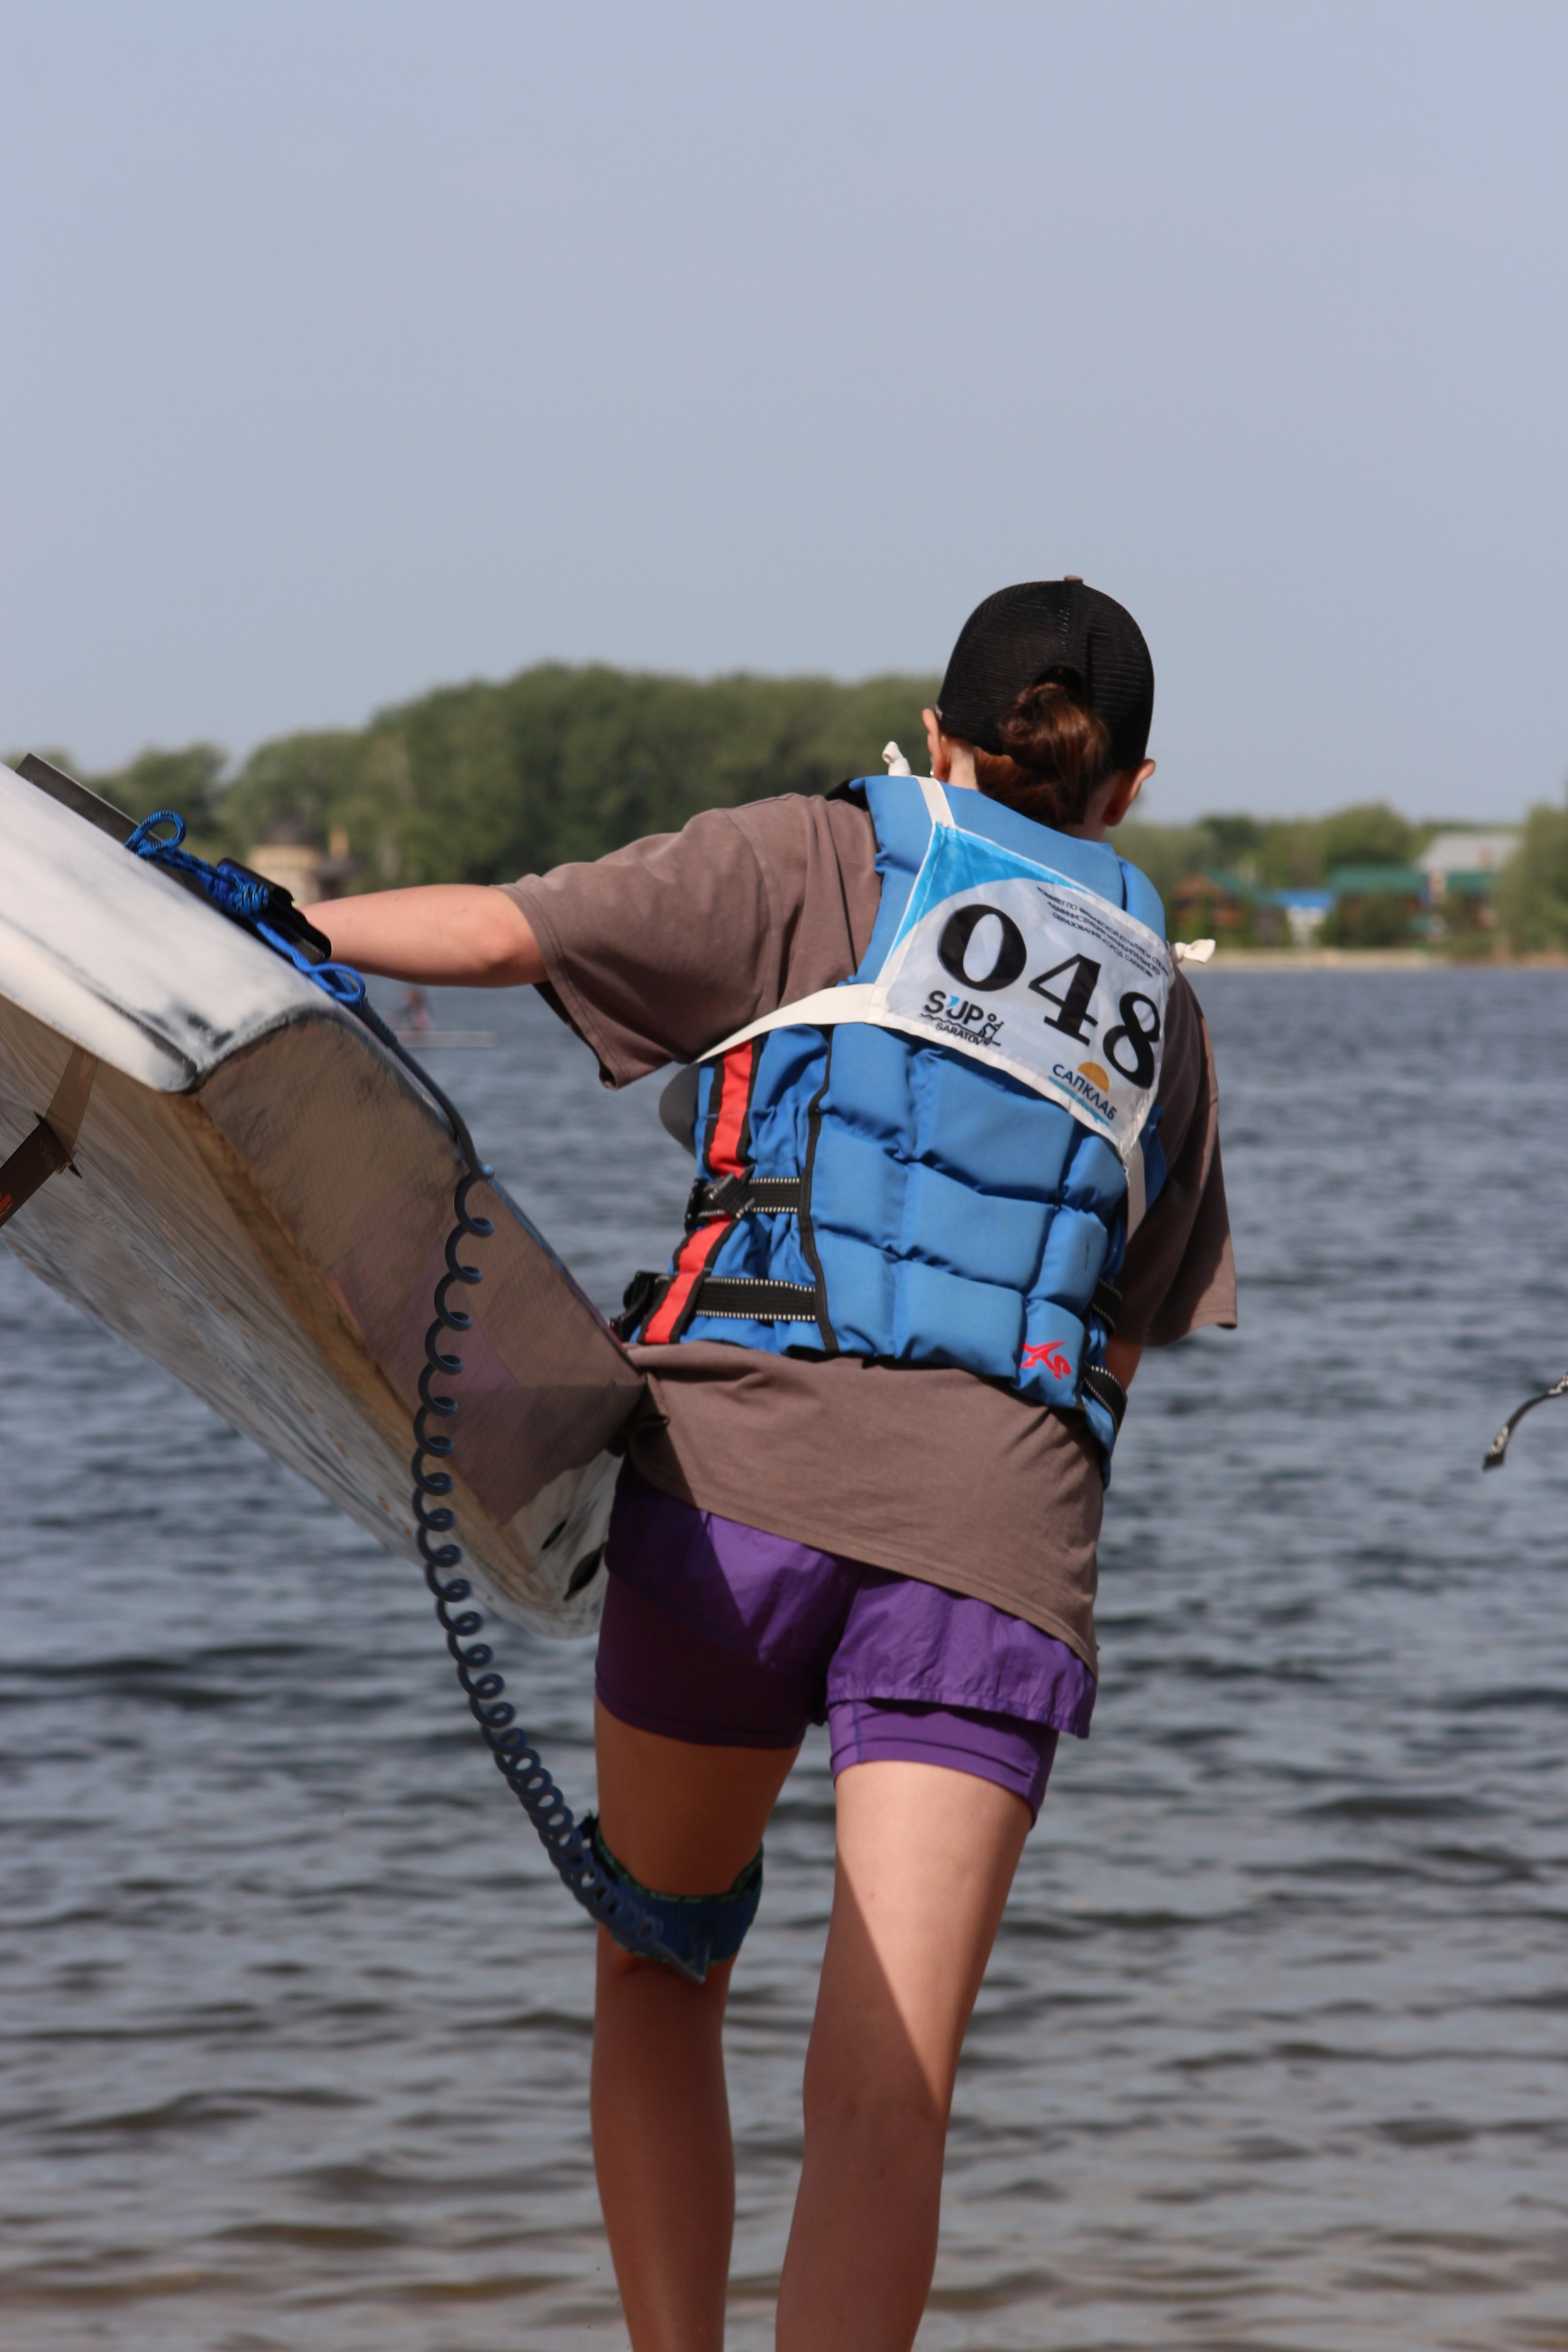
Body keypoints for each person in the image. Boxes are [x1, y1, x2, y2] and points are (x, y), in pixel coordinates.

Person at [305, 579, 1235, 2352]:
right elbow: (1129, 1324)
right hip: (995, 1547)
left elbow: (505, 936)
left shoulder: (816, 858)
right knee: (887, 2102)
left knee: (664, 1961)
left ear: (934, 734)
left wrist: (268, 918)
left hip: (737, 1495)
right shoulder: (1161, 1013)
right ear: (1127, 792)